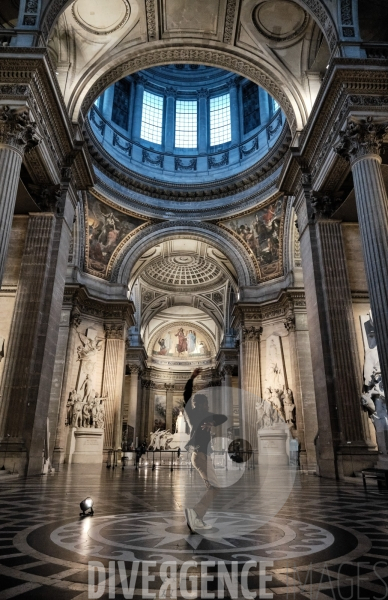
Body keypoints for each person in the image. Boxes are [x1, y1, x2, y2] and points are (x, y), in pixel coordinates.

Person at [183, 368, 227, 533]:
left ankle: (197, 518)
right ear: (198, 405)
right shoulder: (193, 414)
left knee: (212, 487)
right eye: (206, 404)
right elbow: (186, 395)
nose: (208, 406)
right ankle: (194, 514)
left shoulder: (207, 416)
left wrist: (212, 423)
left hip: (201, 455)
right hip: (200, 454)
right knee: (215, 487)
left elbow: (223, 417)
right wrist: (192, 377)